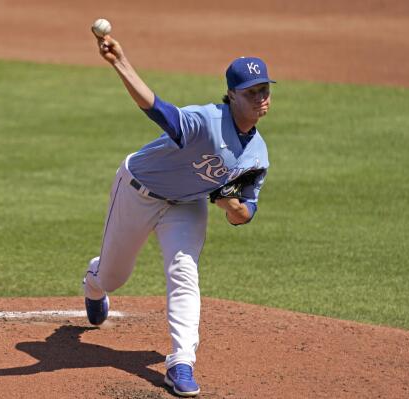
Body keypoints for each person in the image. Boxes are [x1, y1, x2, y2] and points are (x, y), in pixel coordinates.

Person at [82, 31, 275, 397]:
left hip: (187, 204)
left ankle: (181, 362)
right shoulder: (205, 120)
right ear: (232, 94)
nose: (261, 98)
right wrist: (119, 62)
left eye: (265, 90)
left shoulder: (258, 156)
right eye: (252, 92)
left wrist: (229, 204)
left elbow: (243, 214)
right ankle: (93, 283)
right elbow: (158, 109)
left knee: (184, 271)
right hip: (138, 189)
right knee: (113, 276)